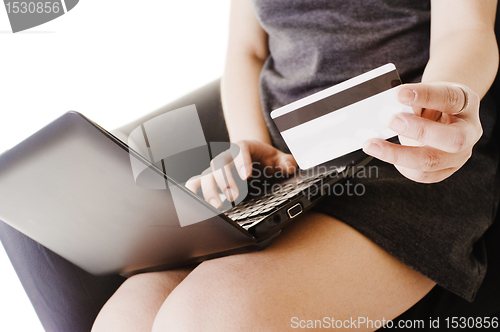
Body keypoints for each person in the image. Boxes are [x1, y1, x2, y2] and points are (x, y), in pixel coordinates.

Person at [91, 0, 498, 330]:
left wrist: (443, 108)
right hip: (288, 168)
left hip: (399, 155)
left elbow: (464, 29)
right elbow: (246, 50)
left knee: (210, 315)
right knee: (126, 318)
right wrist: (248, 142)